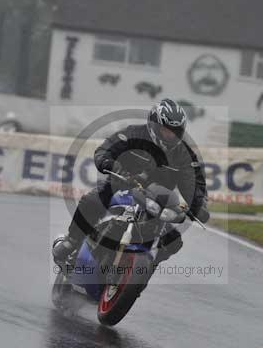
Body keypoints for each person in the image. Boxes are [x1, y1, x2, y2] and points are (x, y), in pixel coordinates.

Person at [53, 99, 210, 266]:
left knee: (173, 241)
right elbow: (105, 150)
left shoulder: (184, 155)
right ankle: (72, 241)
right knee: (91, 201)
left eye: (174, 132)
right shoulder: (133, 133)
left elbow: (193, 182)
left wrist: (199, 204)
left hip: (157, 202)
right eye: (166, 130)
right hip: (120, 186)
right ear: (154, 125)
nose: (170, 135)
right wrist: (110, 164)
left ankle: (148, 266)